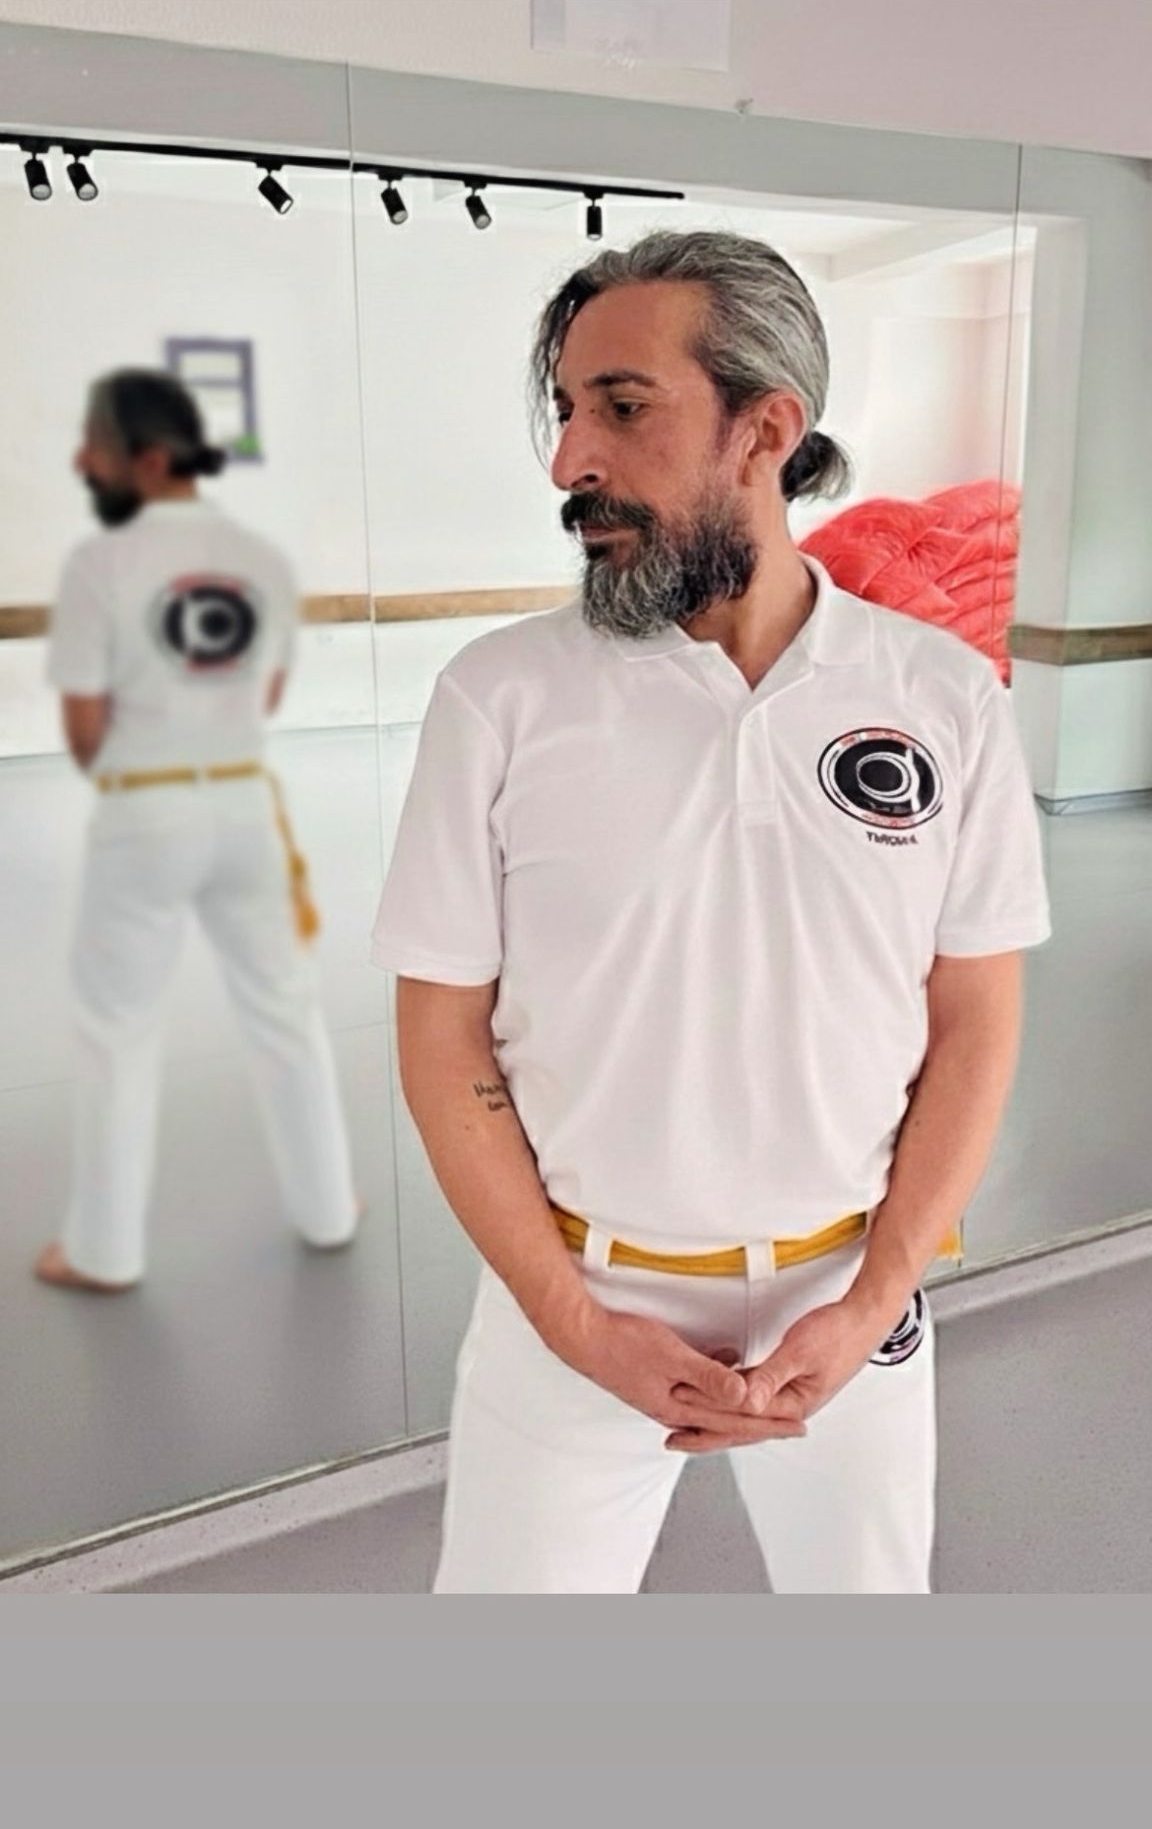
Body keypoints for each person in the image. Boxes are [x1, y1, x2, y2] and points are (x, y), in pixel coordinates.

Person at [370, 230, 1051, 1593]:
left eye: (622, 407)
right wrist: (574, 1324)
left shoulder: (941, 699)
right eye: (568, 410)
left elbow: (974, 1023)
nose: (570, 460)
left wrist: (874, 1297)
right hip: (573, 1310)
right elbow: (443, 1035)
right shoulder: (499, 699)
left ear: (766, 429)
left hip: (849, 1309)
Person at [37, 369, 359, 1292]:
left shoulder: (100, 565)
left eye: (95, 446)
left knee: (116, 1030)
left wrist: (147, 773)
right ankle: (330, 1208)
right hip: (245, 803)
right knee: (287, 1011)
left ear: (144, 458)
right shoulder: (259, 557)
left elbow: (84, 726)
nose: (81, 462)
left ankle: (103, 1250)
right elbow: (266, 692)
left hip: (144, 807)